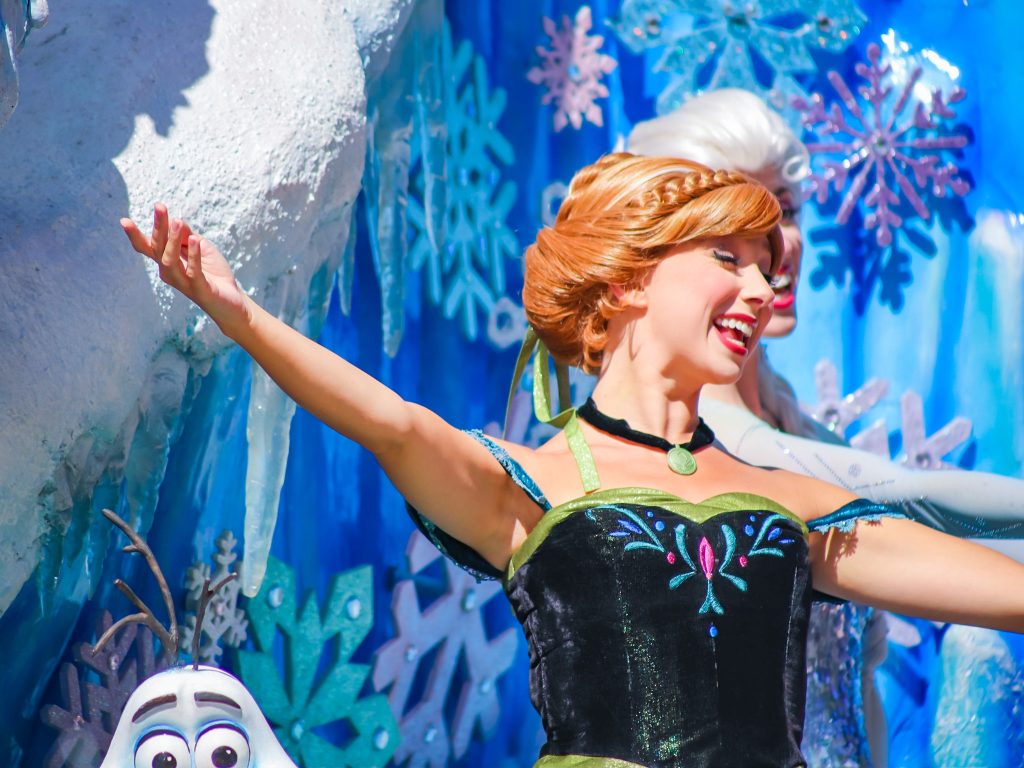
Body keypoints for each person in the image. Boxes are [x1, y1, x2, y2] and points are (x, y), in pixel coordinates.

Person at [121, 153, 1024, 768]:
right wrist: (236, 312)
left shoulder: (794, 503)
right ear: (629, 279)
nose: (760, 288)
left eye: (768, 266)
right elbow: (391, 424)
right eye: (728, 259)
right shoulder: (533, 489)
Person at [627, 88, 1024, 767]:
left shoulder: (807, 439)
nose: (777, 250)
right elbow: (905, 498)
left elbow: (855, 685)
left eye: (784, 211)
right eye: (733, 238)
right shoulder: (707, 446)